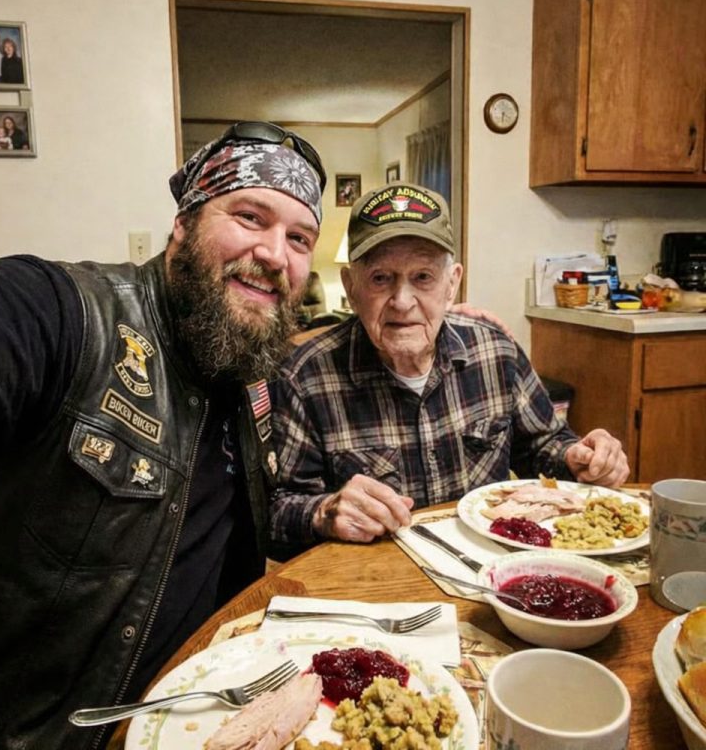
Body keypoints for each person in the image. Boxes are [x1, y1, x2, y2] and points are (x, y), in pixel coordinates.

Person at [0, 121, 325, 749]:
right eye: (251, 217)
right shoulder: (65, 315)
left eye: (299, 237)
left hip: (197, 715)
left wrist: (438, 313)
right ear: (183, 224)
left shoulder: (251, 368)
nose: (276, 254)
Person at [269, 182, 629, 556]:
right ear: (351, 286)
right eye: (380, 278)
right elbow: (276, 516)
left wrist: (580, 458)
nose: (402, 301)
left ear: (451, 283)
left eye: (423, 277)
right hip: (374, 582)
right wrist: (323, 512)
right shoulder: (304, 377)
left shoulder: (496, 352)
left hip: (489, 567)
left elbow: (544, 445)